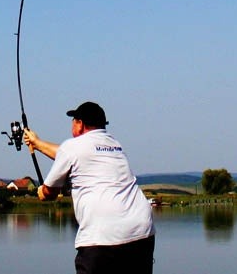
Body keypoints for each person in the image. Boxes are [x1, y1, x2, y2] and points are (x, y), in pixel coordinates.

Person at [23, 101, 155, 274]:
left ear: (80, 124)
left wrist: (42, 192)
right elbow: (69, 154)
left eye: (73, 121)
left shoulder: (72, 147)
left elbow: (50, 191)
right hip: (142, 232)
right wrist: (37, 143)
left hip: (101, 238)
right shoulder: (114, 145)